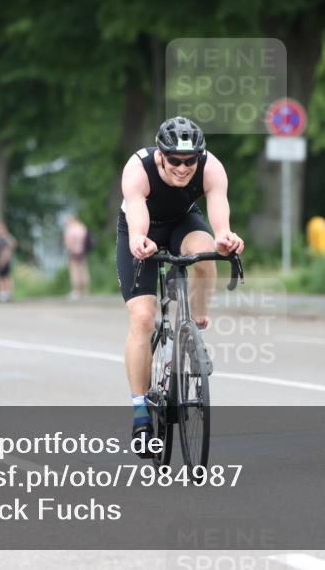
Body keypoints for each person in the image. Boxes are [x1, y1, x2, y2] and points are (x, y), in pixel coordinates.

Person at [116, 116, 244, 451]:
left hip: (183, 223)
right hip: (142, 227)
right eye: (175, 160)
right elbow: (136, 211)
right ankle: (140, 411)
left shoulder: (211, 166)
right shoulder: (138, 168)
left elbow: (218, 213)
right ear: (160, 155)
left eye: (190, 161)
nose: (184, 168)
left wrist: (225, 238)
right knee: (143, 319)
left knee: (204, 254)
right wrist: (139, 240)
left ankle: (194, 334)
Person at [63, 216, 90, 299]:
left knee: (74, 271)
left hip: (73, 252)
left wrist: (68, 246)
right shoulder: (82, 227)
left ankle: (75, 291)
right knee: (84, 271)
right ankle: (85, 291)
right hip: (82, 252)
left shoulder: (70, 229)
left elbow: (68, 242)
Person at [0, 219, 17, 302]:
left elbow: (6, 250)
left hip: (4, 260)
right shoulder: (3, 237)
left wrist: (2, 261)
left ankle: (4, 295)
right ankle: (6, 294)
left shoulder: (3, 238)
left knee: (3, 277)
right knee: (4, 277)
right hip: (5, 259)